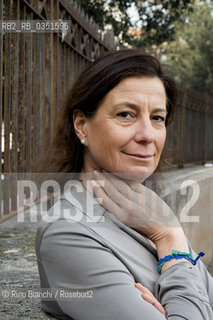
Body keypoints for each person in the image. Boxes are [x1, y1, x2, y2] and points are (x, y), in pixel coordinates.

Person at [35, 49, 213, 320]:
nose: (147, 135)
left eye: (157, 118)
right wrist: (171, 241)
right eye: (126, 114)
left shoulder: (148, 210)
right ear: (82, 124)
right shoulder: (67, 233)